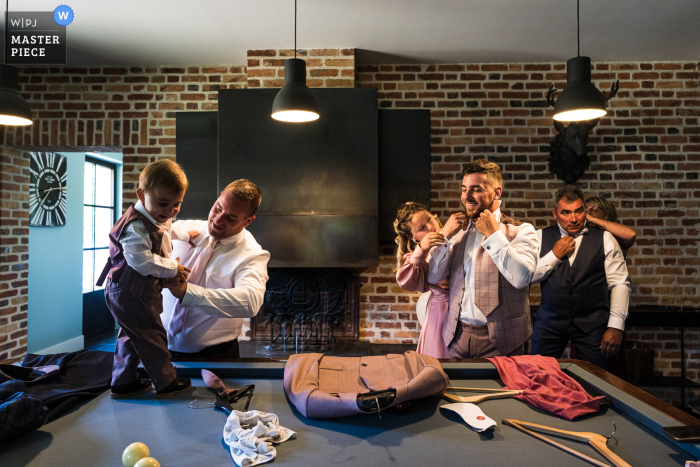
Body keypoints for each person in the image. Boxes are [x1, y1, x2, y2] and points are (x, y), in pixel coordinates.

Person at [97, 159, 198, 399]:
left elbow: (168, 228)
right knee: (152, 334)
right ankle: (166, 381)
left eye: (177, 204)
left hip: (137, 291)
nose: (171, 210)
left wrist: (186, 235)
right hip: (128, 290)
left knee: (132, 335)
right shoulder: (135, 227)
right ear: (141, 195)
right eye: (164, 203)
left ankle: (123, 381)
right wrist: (174, 268)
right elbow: (141, 261)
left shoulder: (159, 215)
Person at [427, 159, 539, 358]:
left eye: (476, 189)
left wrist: (494, 235)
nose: (467, 196)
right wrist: (444, 236)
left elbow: (522, 278)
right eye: (464, 189)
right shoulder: (458, 233)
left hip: (503, 340)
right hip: (457, 337)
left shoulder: (522, 230)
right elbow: (434, 277)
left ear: (497, 192)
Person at [160, 179, 270, 360]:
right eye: (218, 208)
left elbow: (251, 301)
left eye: (231, 217)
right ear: (218, 199)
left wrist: (187, 292)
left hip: (215, 357)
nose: (218, 219)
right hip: (159, 351)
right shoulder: (182, 229)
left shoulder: (251, 254)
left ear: (248, 221)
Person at [531, 185, 631, 369]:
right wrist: (554, 255)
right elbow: (528, 277)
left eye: (578, 211)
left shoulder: (605, 238)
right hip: (549, 323)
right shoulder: (539, 237)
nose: (574, 219)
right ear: (555, 213)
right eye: (566, 213)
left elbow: (619, 283)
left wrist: (616, 326)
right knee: (536, 375)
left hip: (592, 324)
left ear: (584, 210)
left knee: (596, 381)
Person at [393, 202, 450, 358]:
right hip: (442, 315)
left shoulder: (452, 240)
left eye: (429, 219)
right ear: (412, 237)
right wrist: (422, 248)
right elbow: (407, 277)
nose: (431, 227)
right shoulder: (419, 259)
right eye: (421, 228)